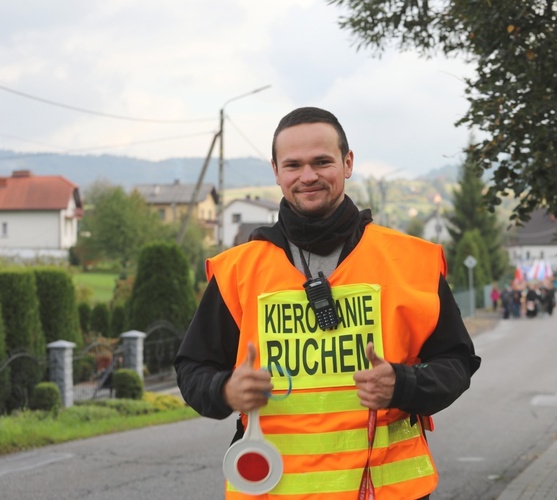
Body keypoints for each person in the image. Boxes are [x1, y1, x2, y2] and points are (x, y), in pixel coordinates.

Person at [175, 107, 481, 500]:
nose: (308, 176)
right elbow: (191, 368)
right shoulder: (238, 271)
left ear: (347, 162)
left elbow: (457, 362)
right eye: (293, 165)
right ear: (276, 171)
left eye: (322, 162)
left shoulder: (410, 262)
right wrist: (225, 390)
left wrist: (403, 384)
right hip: (273, 491)